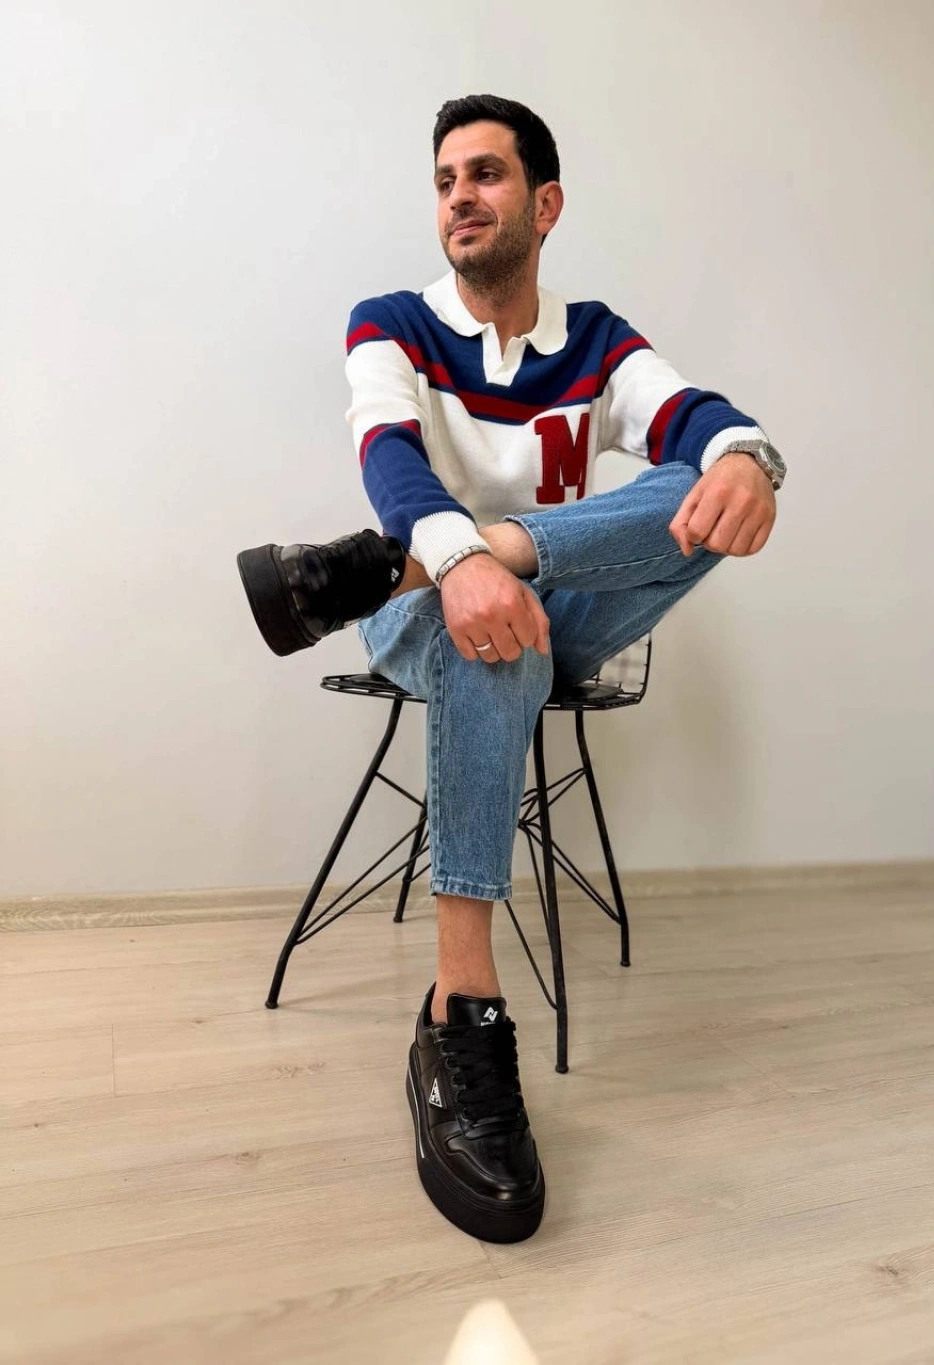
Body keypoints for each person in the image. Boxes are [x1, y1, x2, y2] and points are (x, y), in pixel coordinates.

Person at [236, 94, 785, 1245]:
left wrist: (746, 457)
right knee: (486, 638)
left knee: (702, 490)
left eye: (485, 175)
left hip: (508, 593)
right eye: (444, 181)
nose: (459, 198)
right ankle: (462, 1015)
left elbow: (693, 416)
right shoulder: (392, 321)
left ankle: (368, 571)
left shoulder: (596, 341)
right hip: (426, 622)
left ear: (545, 204)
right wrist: (454, 567)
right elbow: (388, 458)